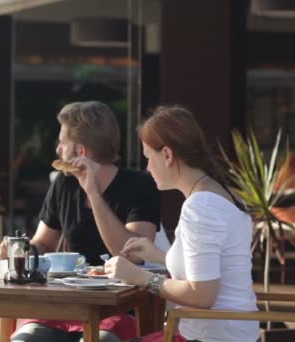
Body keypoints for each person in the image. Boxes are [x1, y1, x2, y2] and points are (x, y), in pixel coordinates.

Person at [0, 101, 161, 342]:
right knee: (25, 339)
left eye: (63, 143)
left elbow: (131, 255)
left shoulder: (140, 186)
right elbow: (43, 244)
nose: (58, 150)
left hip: (117, 308)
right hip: (64, 305)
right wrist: (19, 249)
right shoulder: (64, 184)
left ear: (82, 152)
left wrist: (93, 193)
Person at [104, 105, 258, 342]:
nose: (146, 168)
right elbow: (211, 265)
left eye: (148, 158)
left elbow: (202, 295)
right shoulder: (222, 194)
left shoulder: (201, 207)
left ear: (167, 155)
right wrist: (158, 255)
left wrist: (140, 277)